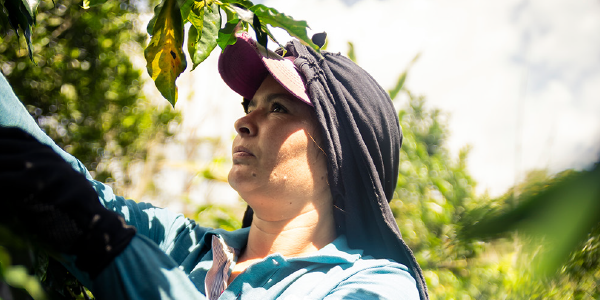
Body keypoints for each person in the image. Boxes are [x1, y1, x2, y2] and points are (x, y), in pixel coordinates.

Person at [0, 32, 428, 299]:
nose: (244, 121)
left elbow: (95, 228)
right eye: (249, 105)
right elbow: (69, 186)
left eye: (277, 108)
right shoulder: (187, 248)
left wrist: (113, 253)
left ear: (340, 152)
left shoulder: (378, 287)